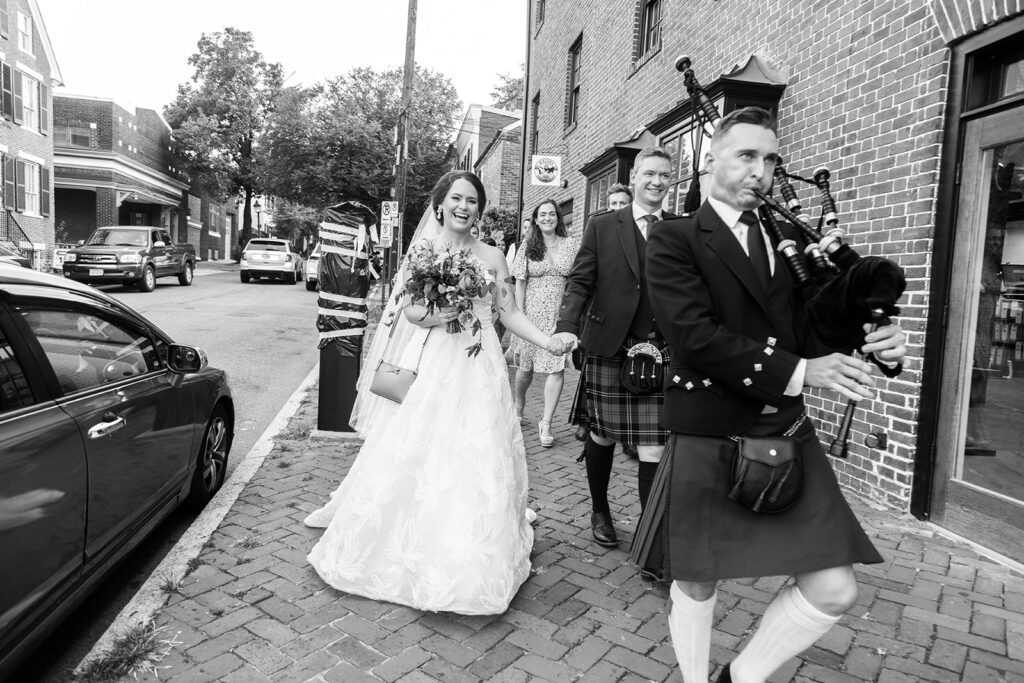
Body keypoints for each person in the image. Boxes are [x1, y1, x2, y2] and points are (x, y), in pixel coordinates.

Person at [642, 107, 907, 683]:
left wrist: (880, 342)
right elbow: (695, 335)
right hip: (712, 427)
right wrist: (801, 373)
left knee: (834, 588)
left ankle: (738, 678)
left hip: (783, 431)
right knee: (698, 578)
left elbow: (815, 329)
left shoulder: (786, 238)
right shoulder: (674, 237)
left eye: (770, 159)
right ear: (711, 159)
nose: (760, 171)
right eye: (747, 155)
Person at [304, 171, 573, 616]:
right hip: (432, 360)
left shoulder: (492, 256)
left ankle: (472, 544)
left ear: (479, 209)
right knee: (421, 443)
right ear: (441, 204)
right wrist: (439, 312)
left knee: (477, 447)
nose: (464, 207)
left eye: (472, 200)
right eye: (456, 199)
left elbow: (507, 311)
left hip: (479, 362)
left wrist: (546, 341)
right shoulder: (424, 252)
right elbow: (409, 309)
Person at [550, 146, 678, 548]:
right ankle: (600, 509)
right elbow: (580, 281)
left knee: (653, 443)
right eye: (650, 173)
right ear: (635, 175)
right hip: (609, 345)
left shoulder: (679, 228)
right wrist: (567, 326)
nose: (657, 181)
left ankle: (649, 533)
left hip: (660, 349)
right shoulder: (603, 225)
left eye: (664, 175)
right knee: (602, 436)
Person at [506, 200, 580, 447]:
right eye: (542, 215)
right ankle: (519, 404)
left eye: (551, 214)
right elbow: (520, 283)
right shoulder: (528, 246)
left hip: (560, 317)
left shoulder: (571, 245)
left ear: (558, 218)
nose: (547, 218)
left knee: (556, 367)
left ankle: (546, 422)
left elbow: (579, 280)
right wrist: (519, 317)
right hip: (531, 317)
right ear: (536, 220)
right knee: (525, 369)